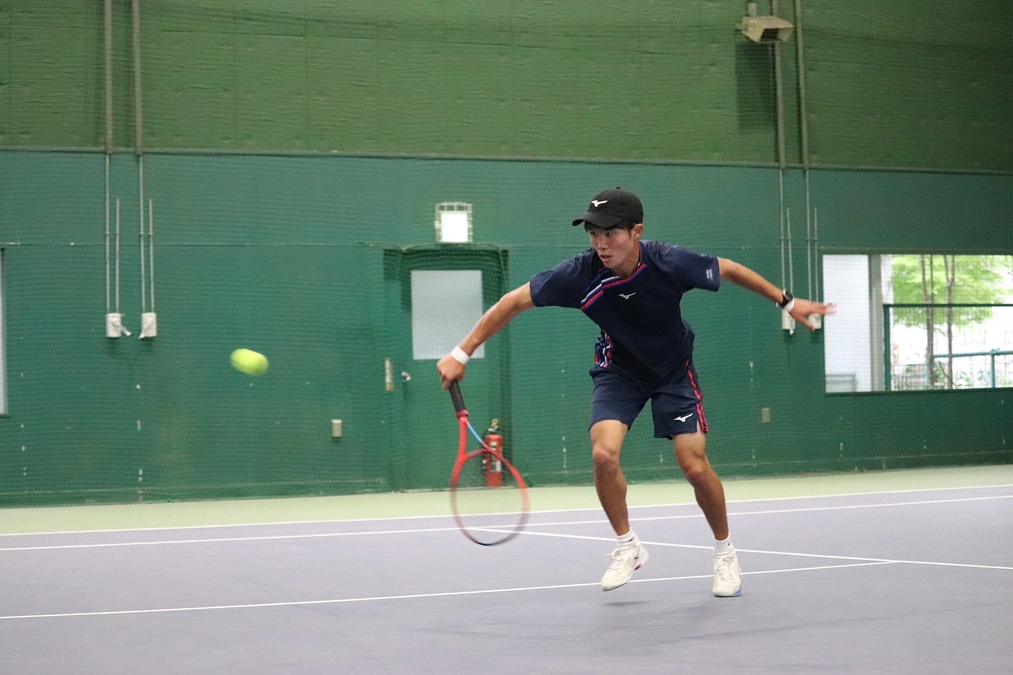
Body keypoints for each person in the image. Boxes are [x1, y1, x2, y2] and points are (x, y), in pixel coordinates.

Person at [436, 187, 834, 597]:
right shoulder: (580, 274)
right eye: (593, 233)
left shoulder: (668, 262)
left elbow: (728, 269)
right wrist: (461, 353)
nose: (600, 243)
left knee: (694, 466)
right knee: (603, 454)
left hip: (673, 370)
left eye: (610, 233)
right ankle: (627, 545)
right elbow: (512, 302)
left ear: (636, 231)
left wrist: (787, 303)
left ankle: (725, 553)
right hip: (619, 371)